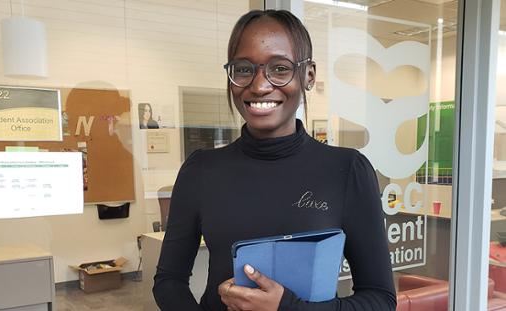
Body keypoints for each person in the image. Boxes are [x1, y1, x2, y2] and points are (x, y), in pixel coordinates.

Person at [153, 9, 396, 311]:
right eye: (243, 69)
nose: (259, 85)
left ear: (309, 75)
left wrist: (288, 308)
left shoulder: (346, 170)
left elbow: (380, 298)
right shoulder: (201, 170)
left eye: (279, 68)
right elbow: (169, 280)